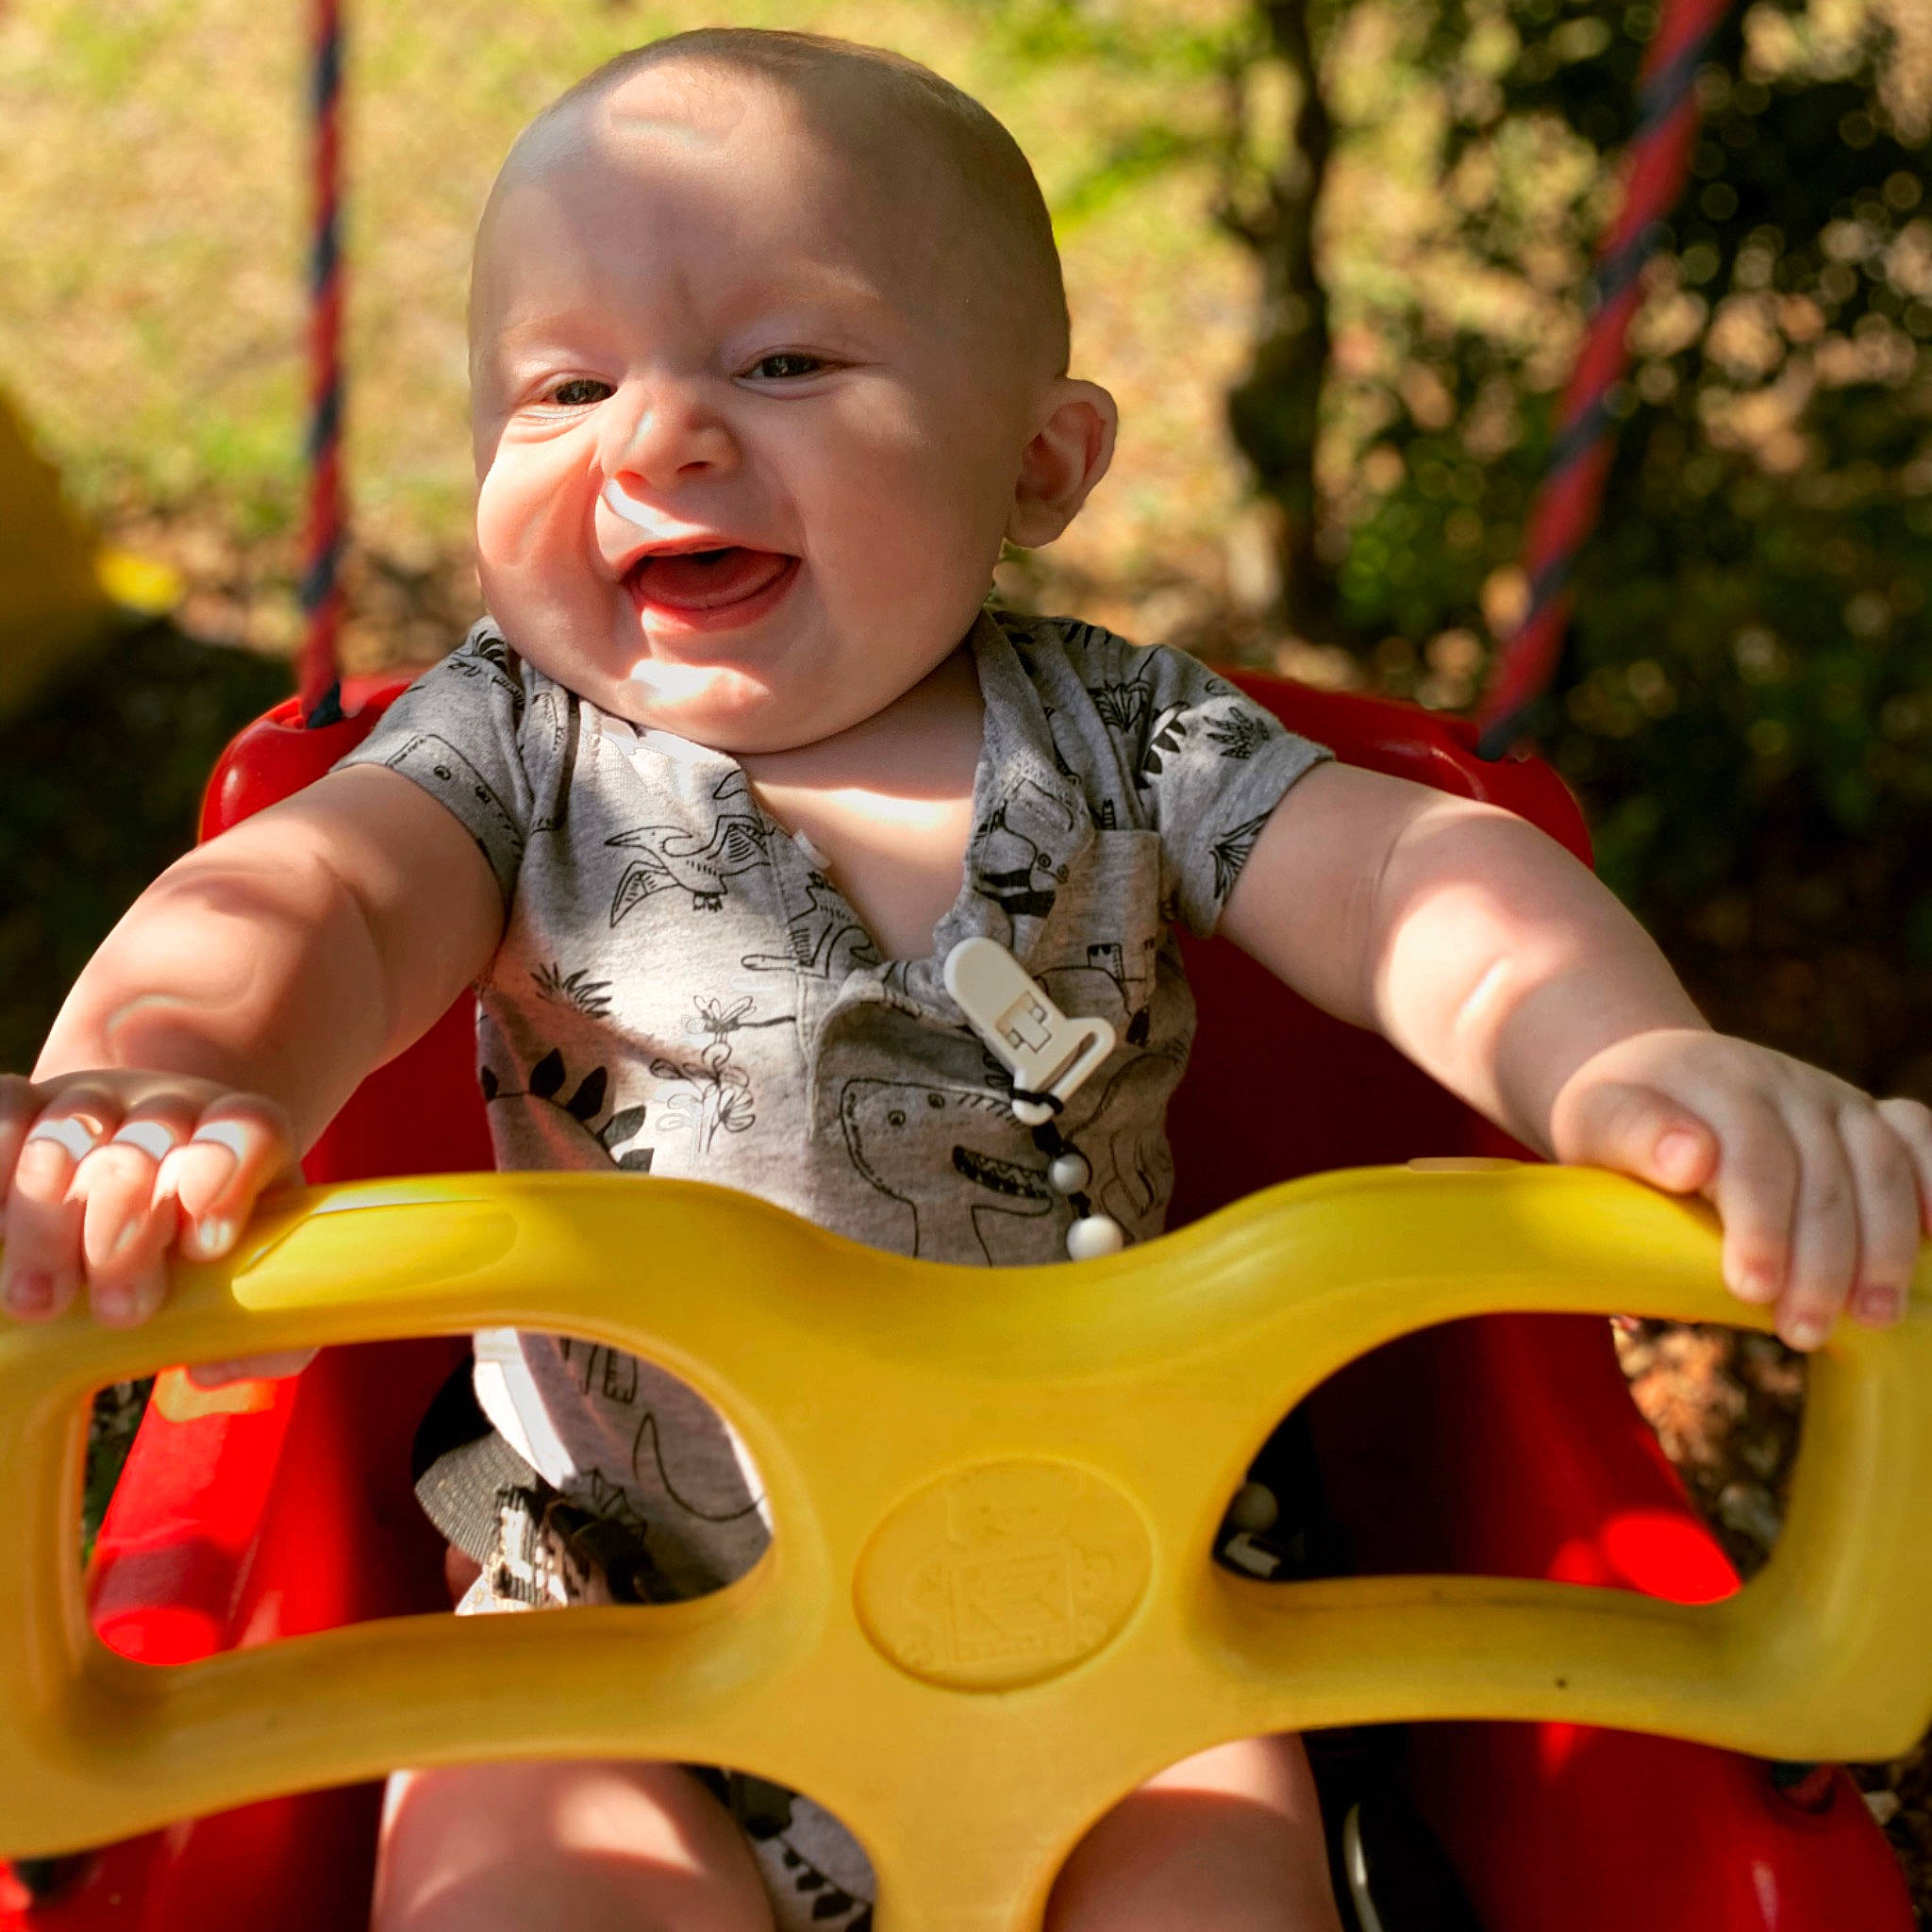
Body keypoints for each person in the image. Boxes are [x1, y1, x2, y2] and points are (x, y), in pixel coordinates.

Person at [2, 28, 1928, 1932]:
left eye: (783, 361)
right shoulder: (506, 754)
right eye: (565, 382)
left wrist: (1630, 1066)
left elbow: (1414, 875)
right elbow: (308, 905)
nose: (658, 433)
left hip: (1109, 1592)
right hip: (602, 1617)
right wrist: (154, 1082)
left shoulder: (1134, 743)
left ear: (1040, 462)